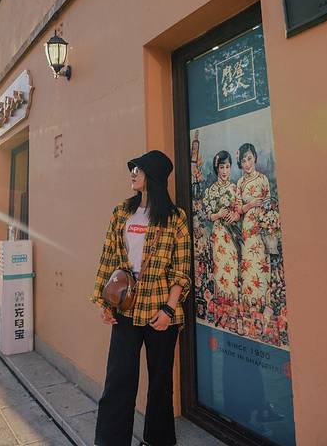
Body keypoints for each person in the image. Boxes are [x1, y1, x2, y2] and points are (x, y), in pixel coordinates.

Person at [91, 150, 191, 446]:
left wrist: (169, 310)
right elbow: (108, 258)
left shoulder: (175, 218)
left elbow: (181, 269)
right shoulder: (121, 212)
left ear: (154, 176)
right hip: (125, 309)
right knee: (118, 381)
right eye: (132, 168)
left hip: (161, 312)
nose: (133, 173)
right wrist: (104, 302)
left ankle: (157, 441)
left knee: (160, 385)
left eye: (139, 169)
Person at [236, 143, 271, 308]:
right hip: (248, 228)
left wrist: (267, 220)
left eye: (249, 159)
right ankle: (249, 302)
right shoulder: (240, 182)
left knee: (261, 261)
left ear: (255, 158)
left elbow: (269, 203)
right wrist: (251, 204)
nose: (247, 164)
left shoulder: (263, 179)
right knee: (249, 262)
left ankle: (263, 302)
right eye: (243, 161)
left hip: (262, 226)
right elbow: (239, 209)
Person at [204, 150, 241, 304]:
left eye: (227, 167)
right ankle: (221, 303)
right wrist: (218, 214)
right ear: (216, 168)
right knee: (219, 266)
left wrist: (234, 216)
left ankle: (233, 301)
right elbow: (208, 215)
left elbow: (239, 211)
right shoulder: (210, 190)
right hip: (218, 233)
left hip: (231, 232)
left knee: (232, 264)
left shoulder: (235, 188)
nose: (224, 171)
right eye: (221, 167)